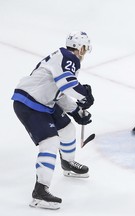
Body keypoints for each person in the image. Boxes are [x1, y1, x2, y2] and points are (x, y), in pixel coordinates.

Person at [11, 31, 94, 210]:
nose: (85, 53)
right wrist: (84, 97)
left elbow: (59, 92)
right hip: (30, 103)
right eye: (85, 49)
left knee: (67, 130)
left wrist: (77, 111)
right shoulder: (69, 58)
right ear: (81, 48)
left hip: (43, 102)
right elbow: (67, 84)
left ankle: (67, 163)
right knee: (50, 142)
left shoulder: (61, 58)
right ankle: (40, 192)